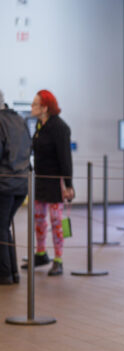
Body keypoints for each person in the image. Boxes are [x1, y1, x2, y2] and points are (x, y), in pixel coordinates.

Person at [22, 89, 74, 276]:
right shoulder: (39, 125)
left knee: (56, 221)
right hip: (40, 179)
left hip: (55, 182)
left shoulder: (60, 127)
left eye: (35, 104)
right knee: (39, 219)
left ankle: (58, 259)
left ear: (45, 107)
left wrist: (69, 185)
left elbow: (65, 158)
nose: (32, 107)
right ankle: (41, 253)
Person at [0, 89, 31, 285]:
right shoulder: (19, 119)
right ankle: (13, 271)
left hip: (5, 183)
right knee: (4, 227)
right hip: (22, 182)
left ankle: (5, 274)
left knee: (1, 228)